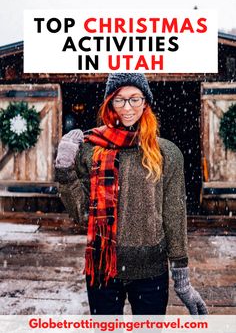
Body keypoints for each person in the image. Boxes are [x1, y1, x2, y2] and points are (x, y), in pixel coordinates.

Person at [55, 73, 208, 315]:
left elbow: (174, 217)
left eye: (135, 99)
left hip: (151, 273)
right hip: (103, 271)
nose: (127, 108)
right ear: (110, 104)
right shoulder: (89, 150)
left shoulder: (167, 153)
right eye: (119, 100)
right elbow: (82, 214)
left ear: (145, 102)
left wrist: (182, 279)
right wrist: (65, 171)